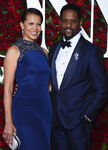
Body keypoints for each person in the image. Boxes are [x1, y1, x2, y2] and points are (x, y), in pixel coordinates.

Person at [49, 4, 108, 150]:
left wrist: (87, 116)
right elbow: (51, 82)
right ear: (59, 22)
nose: (68, 25)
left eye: (73, 21)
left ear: (80, 23)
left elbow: (102, 89)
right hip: (56, 122)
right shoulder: (54, 48)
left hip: (79, 124)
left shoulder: (91, 51)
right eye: (65, 21)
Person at [3, 8, 52, 150]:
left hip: (45, 111)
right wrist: (8, 122)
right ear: (21, 25)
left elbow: (48, 85)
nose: (35, 28)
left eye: (38, 24)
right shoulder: (14, 51)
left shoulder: (44, 52)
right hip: (25, 111)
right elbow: (8, 90)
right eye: (30, 24)